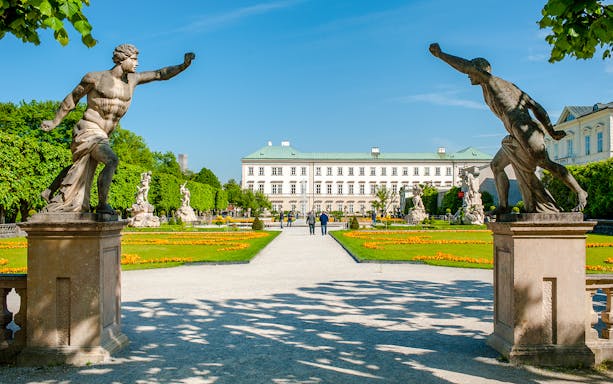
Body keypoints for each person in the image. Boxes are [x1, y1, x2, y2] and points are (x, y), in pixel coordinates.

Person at [429, 43, 587, 214]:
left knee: (544, 163)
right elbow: (536, 106)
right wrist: (551, 131)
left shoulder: (493, 82)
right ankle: (504, 206)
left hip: (525, 129)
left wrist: (441, 55)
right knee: (496, 166)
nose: (468, 76)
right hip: (515, 132)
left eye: (471, 72)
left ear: (480, 70)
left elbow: (536, 107)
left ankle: (580, 192)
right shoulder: (504, 86)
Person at [41, 44, 195, 214]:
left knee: (82, 166)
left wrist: (183, 66)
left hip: (104, 134)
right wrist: (54, 121)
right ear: (122, 59)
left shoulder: (132, 80)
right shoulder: (95, 78)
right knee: (112, 160)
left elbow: (159, 74)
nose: (137, 63)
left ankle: (50, 191)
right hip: (88, 128)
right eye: (134, 59)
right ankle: (102, 205)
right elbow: (72, 98)